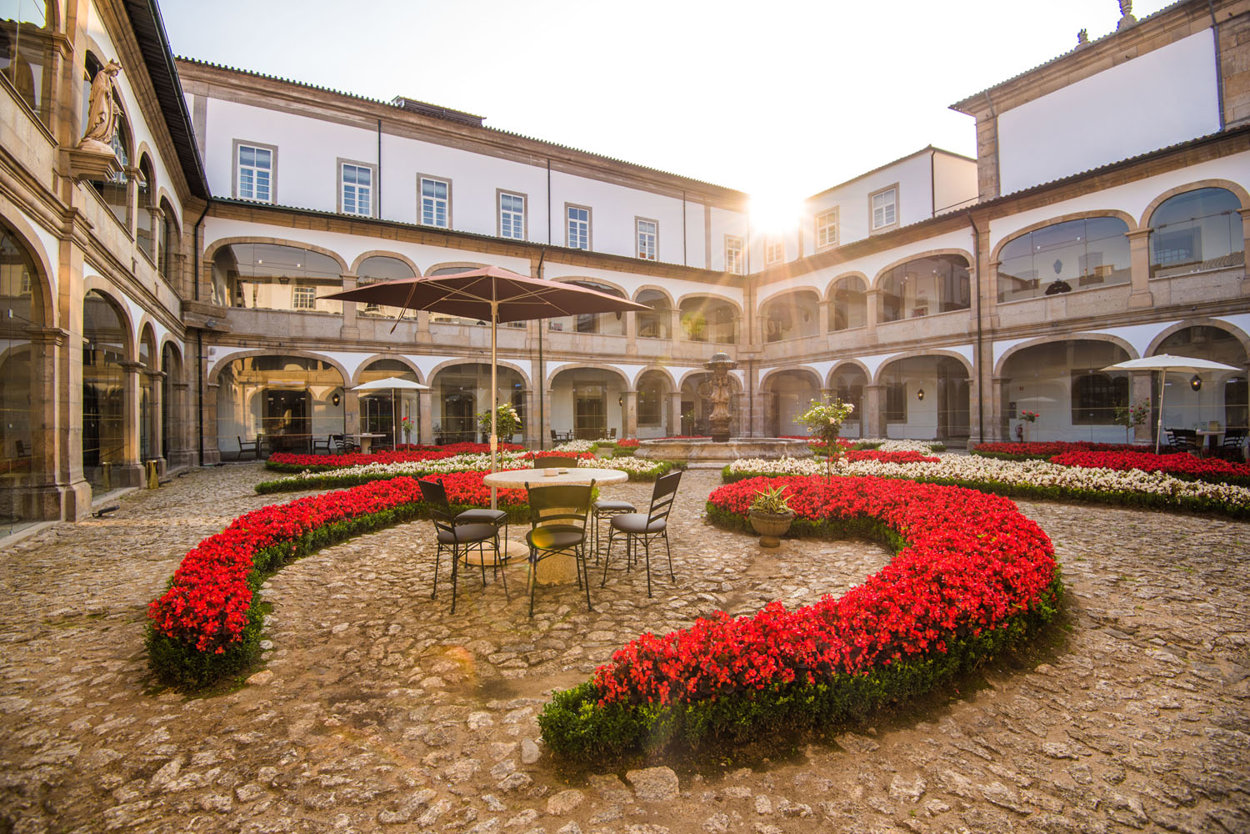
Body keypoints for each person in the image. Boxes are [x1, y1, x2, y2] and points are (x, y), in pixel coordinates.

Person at [78, 60, 121, 151]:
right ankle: (94, 135)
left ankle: (100, 138)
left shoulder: (109, 80)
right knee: (101, 116)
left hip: (105, 102)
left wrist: (114, 106)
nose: (115, 74)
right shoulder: (101, 74)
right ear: (111, 68)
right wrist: (105, 89)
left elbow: (109, 98)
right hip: (100, 102)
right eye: (115, 71)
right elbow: (98, 87)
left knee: (105, 119)